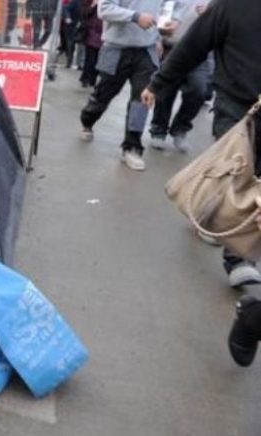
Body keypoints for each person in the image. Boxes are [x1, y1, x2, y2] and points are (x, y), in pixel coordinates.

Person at [140, 0, 261, 364]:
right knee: (236, 181)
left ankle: (235, 249)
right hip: (238, 108)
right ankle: (234, 249)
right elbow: (193, 45)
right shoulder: (232, 7)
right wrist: (159, 83)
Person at [78, 0, 179, 171]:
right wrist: (135, 17)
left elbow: (161, 13)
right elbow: (105, 10)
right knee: (105, 93)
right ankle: (87, 120)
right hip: (116, 48)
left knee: (142, 98)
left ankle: (132, 147)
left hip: (146, 50)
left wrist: (160, 35)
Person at [147, 0, 214, 153]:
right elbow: (158, 11)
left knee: (199, 91)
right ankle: (158, 130)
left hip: (202, 53)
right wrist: (157, 38)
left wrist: (211, 14)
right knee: (165, 92)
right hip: (173, 48)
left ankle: (180, 129)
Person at [78, 0, 103, 87]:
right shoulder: (89, 2)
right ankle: (85, 78)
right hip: (91, 32)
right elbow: (84, 14)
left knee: (98, 59)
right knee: (90, 59)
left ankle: (92, 79)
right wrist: (93, 5)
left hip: (103, 33)